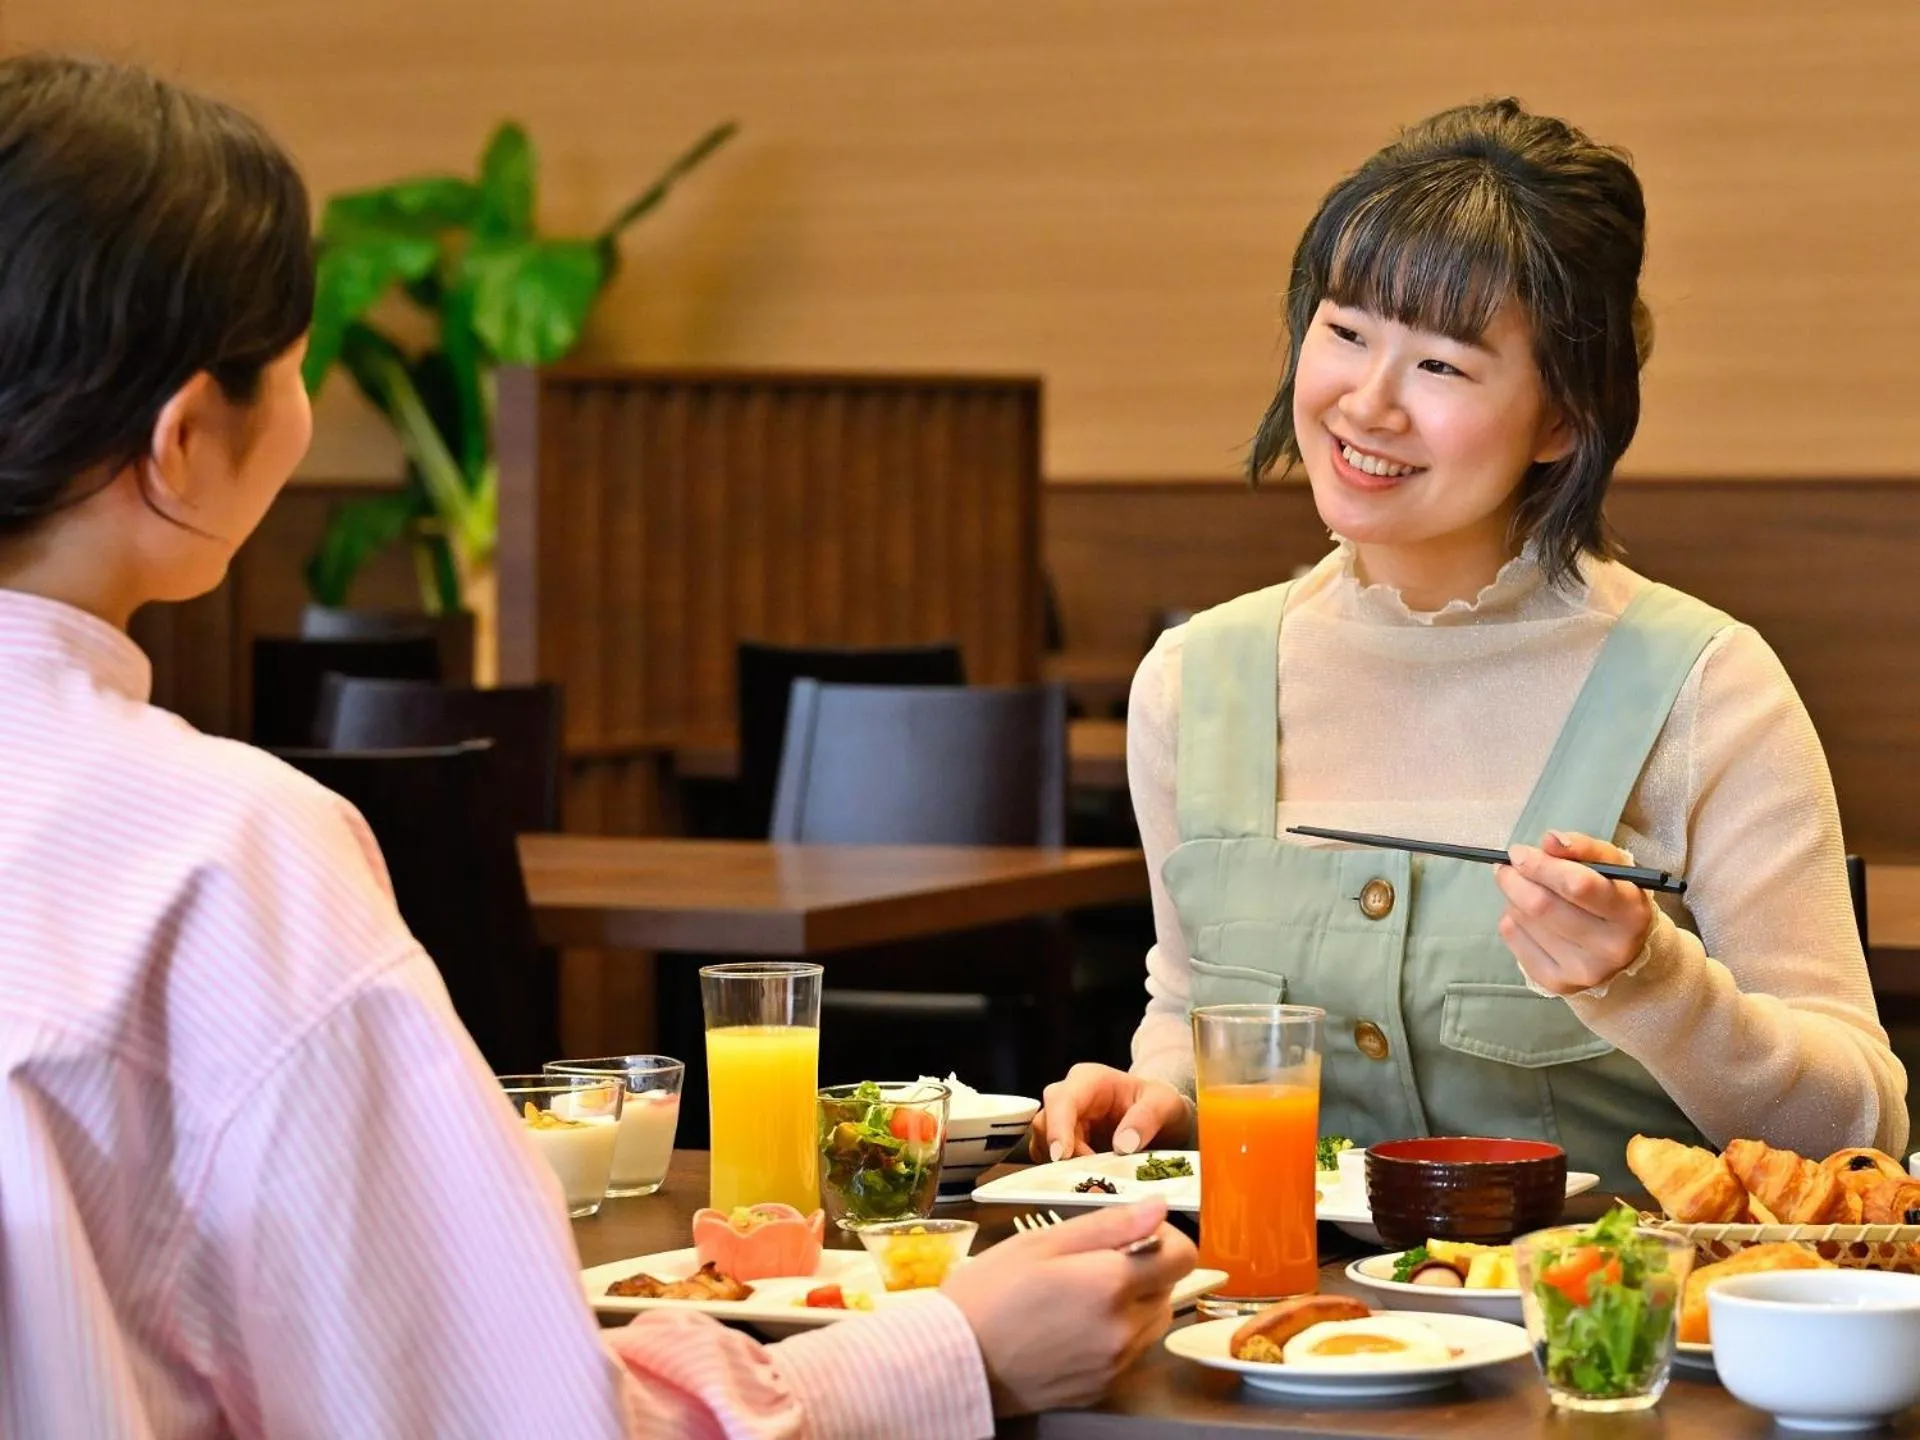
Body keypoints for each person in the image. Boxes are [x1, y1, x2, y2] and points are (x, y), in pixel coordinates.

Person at [0, 54, 1195, 1439]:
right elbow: (520, 1419)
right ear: (184, 442)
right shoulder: (222, 862)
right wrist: (954, 1351)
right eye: (294, 357)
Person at [1033, 98, 1907, 1190]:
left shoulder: (1706, 688)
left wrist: (1651, 980)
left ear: (1562, 419)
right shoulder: (1192, 682)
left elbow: (1861, 1129)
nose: (1367, 403)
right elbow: (1185, 1005)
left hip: (1615, 1298)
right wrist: (1162, 1098)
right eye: (1346, 332)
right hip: (1284, 1298)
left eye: (1442, 366)